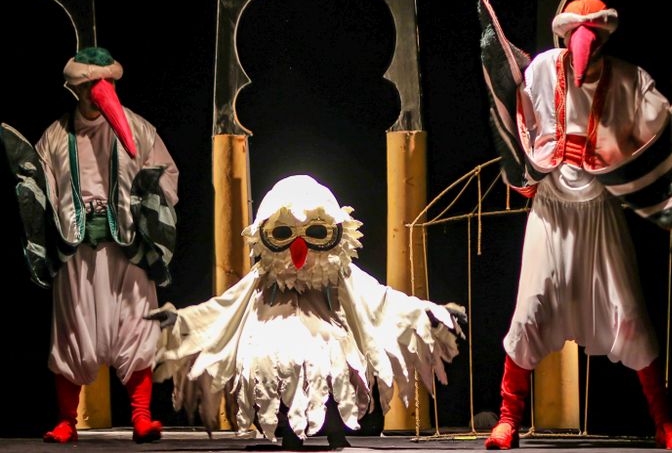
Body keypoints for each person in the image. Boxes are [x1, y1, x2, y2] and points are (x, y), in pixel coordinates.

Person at [477, 0, 672, 450]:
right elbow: (519, 116)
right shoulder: (543, 70)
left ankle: (663, 423)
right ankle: (508, 419)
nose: (586, 54)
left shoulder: (629, 80)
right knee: (530, 308)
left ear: (604, 41)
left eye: (594, 44)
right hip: (552, 210)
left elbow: (660, 128)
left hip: (600, 208)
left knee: (629, 312)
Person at [147, 174, 466, 448]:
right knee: (270, 363)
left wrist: (432, 313)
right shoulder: (263, 277)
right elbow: (225, 307)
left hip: (329, 339)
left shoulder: (339, 273)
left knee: (334, 361)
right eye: (282, 234)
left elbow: (381, 300)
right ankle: (290, 433)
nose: (298, 247)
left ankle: (335, 433)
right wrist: (181, 320)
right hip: (271, 340)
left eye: (315, 233)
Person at [2, 47, 178, 443]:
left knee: (136, 325)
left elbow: (167, 175)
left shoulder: (139, 129)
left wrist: (147, 200)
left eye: (104, 85)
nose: (95, 94)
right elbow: (42, 187)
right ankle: (67, 421)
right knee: (72, 331)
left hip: (127, 246)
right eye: (87, 87)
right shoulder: (55, 136)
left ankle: (141, 417)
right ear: (75, 89)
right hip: (77, 248)